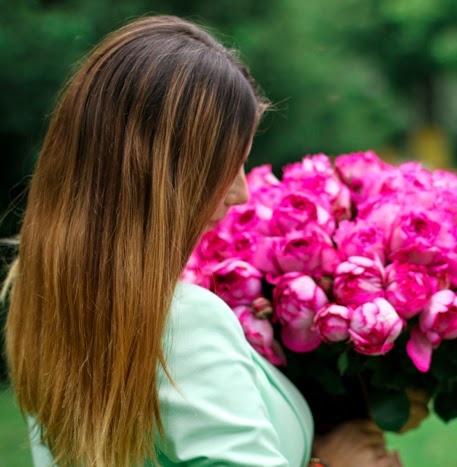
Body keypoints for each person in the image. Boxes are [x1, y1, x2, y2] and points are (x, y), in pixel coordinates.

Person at [1, 15, 401, 467]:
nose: (241, 193)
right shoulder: (181, 320)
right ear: (164, 176)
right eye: (227, 166)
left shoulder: (46, 297)